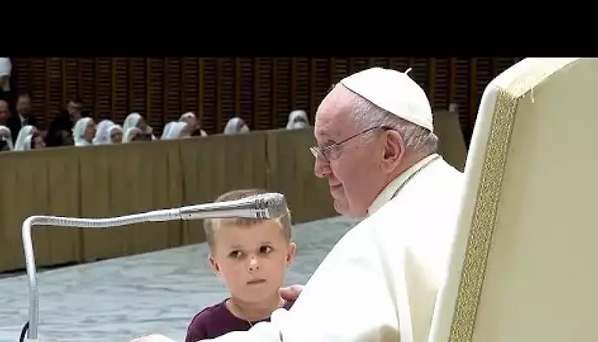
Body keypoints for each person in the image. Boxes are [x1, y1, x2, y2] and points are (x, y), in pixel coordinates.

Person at [131, 67, 464, 342]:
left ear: (389, 150)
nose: (320, 168)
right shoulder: (461, 198)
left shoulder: (387, 233)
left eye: (331, 148)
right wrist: (329, 308)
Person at [185, 189, 297, 342]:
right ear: (217, 266)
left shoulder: (307, 312)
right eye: (236, 253)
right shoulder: (205, 328)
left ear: (288, 255)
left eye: (265, 249)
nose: (253, 265)